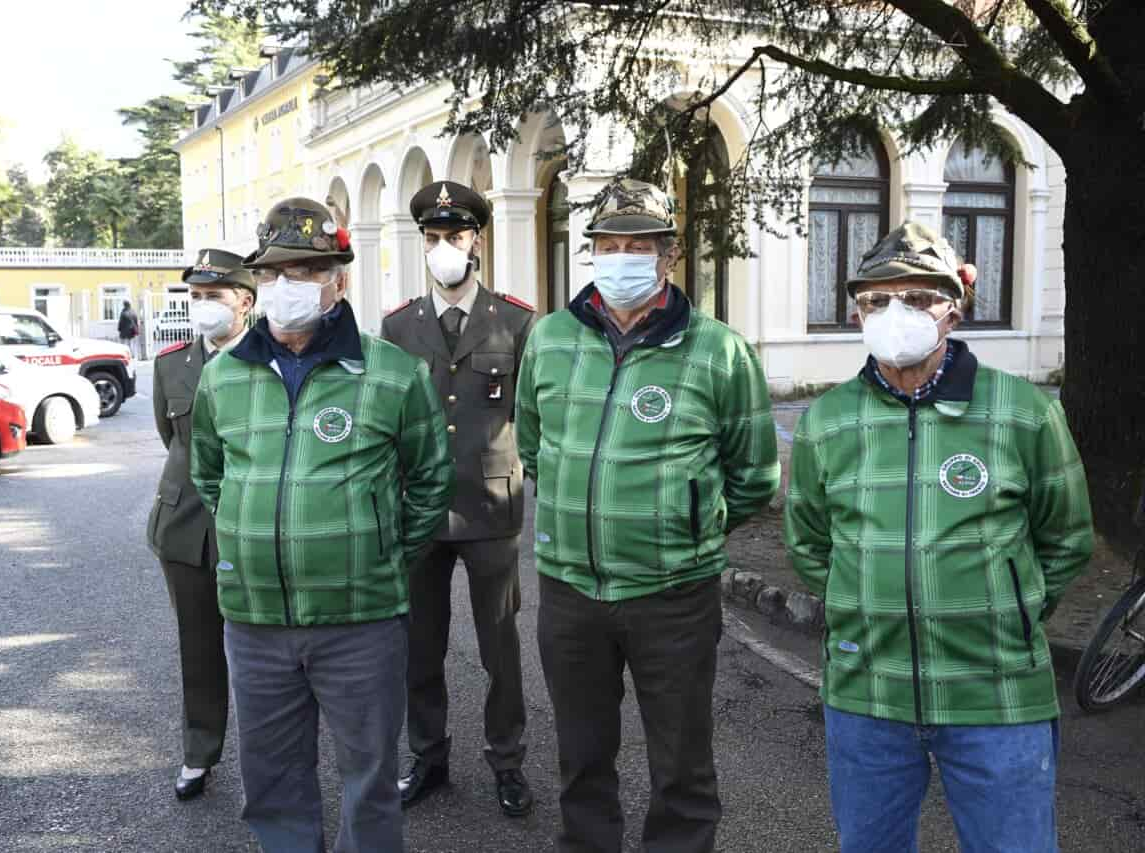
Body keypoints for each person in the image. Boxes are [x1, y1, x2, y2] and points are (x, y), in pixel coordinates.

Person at [784, 221, 1095, 853]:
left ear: (954, 308)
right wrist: (861, 604)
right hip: (868, 690)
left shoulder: (1022, 411)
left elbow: (1066, 538)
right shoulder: (828, 420)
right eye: (877, 300)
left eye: (919, 297)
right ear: (856, 314)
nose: (897, 313)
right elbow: (811, 543)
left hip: (998, 693)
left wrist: (1013, 608)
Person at [515, 177, 780, 852]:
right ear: (593, 252)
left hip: (674, 597)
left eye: (641, 243)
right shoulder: (548, 340)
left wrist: (689, 526)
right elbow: (533, 447)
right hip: (570, 593)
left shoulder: (719, 350)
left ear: (669, 255)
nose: (624, 255)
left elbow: (752, 475)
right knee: (580, 758)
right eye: (611, 243)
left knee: (683, 769)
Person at [191, 197, 453, 852]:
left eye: (308, 269)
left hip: (361, 621)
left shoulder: (394, 373)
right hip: (254, 623)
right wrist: (252, 542)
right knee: (273, 783)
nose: (289, 286)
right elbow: (210, 475)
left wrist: (380, 550)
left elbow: (428, 482)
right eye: (276, 272)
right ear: (257, 282)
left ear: (340, 276)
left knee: (368, 782)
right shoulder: (222, 377)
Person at [382, 181, 536, 817]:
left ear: (477, 241)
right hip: (420, 511)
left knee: (501, 647)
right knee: (421, 646)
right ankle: (429, 756)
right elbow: (387, 420)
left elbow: (533, 415)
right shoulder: (396, 327)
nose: (443, 247)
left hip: (490, 508)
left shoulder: (518, 321)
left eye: (454, 235)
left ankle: (508, 760)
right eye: (432, 237)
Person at [148, 248, 256, 800]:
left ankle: (270, 758)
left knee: (265, 648)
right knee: (199, 644)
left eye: (214, 296)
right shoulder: (171, 364)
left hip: (256, 524)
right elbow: (177, 445)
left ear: (245, 300)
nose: (203, 306)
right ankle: (199, 752)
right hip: (186, 525)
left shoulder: (268, 361)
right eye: (195, 297)